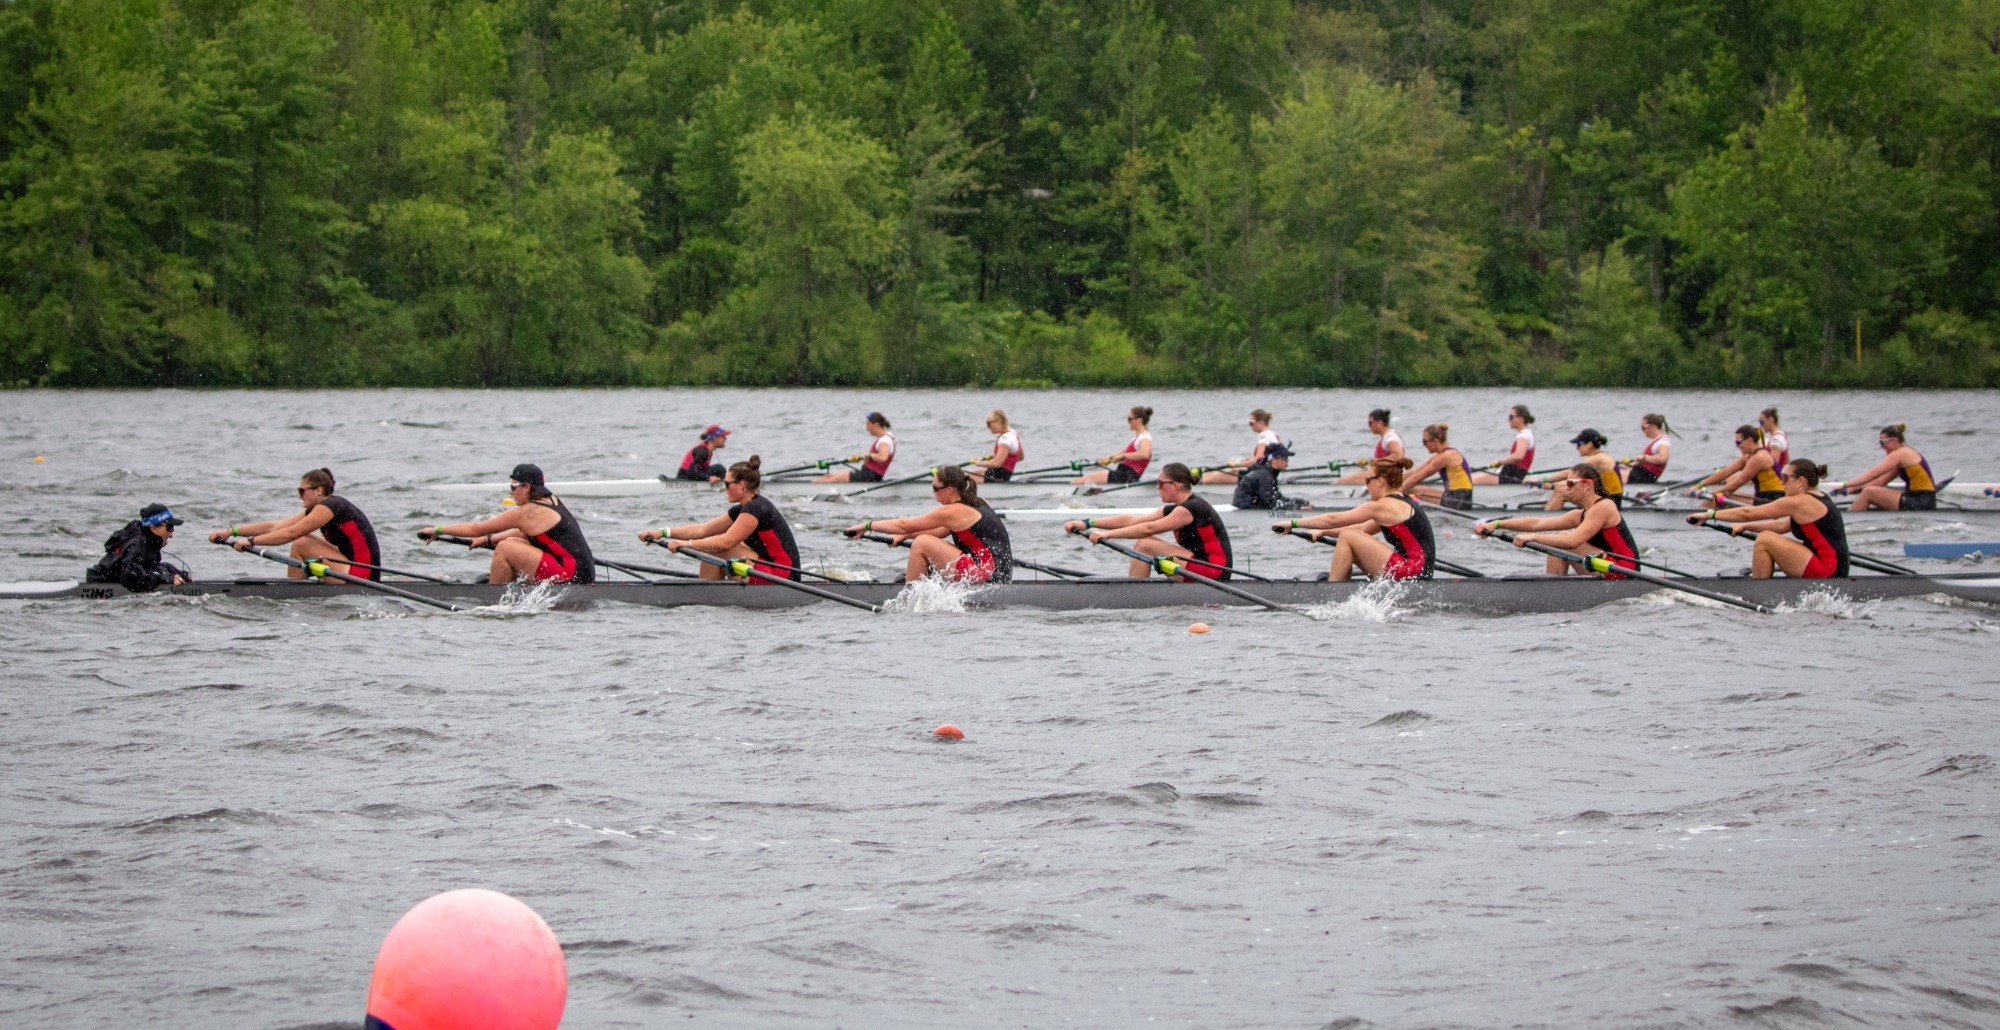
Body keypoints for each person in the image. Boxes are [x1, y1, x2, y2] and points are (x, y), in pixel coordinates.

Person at [417, 464, 594, 585]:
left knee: (504, 548)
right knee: (512, 542)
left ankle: (494, 598)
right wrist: (486, 540)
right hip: (583, 571)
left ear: (527, 487)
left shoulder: (527, 512)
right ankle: (510, 585)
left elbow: (475, 528)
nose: (510, 492)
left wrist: (437, 530)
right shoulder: (552, 500)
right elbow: (524, 534)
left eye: (513, 486)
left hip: (572, 575)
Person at [843, 465, 1012, 583]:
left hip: (986, 575)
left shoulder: (953, 511)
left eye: (935, 488)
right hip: (1000, 573)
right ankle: (918, 580)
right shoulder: (978, 502)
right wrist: (905, 536)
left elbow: (903, 524)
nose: (933, 492)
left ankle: (910, 594)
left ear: (950, 490)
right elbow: (941, 531)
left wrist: (867, 526)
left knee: (922, 543)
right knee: (928, 543)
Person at [1063, 463, 1233, 579]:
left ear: (1175, 485)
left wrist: (1106, 535)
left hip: (1214, 570)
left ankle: (1136, 593)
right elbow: (1132, 520)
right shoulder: (1176, 508)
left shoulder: (1191, 508)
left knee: (1145, 544)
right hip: (1199, 563)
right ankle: (1137, 586)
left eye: (1161, 483)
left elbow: (1148, 528)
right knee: (1144, 541)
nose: (1157, 487)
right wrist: (1087, 523)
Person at [642, 456, 799, 580]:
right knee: (714, 544)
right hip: (769, 568)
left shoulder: (756, 508)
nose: (724, 488)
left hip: (783, 575)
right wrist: (662, 533)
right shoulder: (742, 509)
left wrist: (687, 544)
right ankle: (708, 588)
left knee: (718, 548)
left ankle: (704, 594)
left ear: (741, 485)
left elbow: (725, 543)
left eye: (727, 484)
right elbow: (703, 529)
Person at [210, 468, 382, 581]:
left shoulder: (330, 506)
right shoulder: (321, 507)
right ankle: (297, 586)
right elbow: (275, 527)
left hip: (363, 575)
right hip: (352, 568)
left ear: (318, 490)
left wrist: (251, 542)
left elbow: (291, 533)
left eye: (302, 491)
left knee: (301, 542)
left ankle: (295, 591)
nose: (299, 496)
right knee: (303, 539)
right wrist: (232, 531)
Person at [1278, 457, 1433, 581]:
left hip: (1411, 572)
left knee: (1347, 536)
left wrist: (1293, 523)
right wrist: (1323, 531)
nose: (1366, 486)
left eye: (1367, 480)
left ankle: (1333, 591)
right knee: (1350, 536)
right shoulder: (1399, 502)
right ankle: (1341, 586)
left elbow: (1333, 519)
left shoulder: (1382, 506)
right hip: (1421, 572)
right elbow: (1363, 529)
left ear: (1380, 481)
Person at [1687, 459, 1848, 579]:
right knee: (1767, 536)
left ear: (1801, 481)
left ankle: (1759, 591)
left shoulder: (1799, 502)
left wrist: (1710, 514)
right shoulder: (1817, 497)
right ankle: (1762, 583)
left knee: (1764, 540)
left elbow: (1747, 513)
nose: (1781, 482)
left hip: (1828, 571)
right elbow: (1782, 526)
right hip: (1837, 568)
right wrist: (1746, 527)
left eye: (1785, 478)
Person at [1474, 464, 1638, 577]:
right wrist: (1496, 524)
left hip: (1624, 571)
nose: (1566, 487)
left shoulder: (1604, 507)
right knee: (1559, 542)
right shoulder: (1580, 514)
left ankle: (1552, 589)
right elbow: (1538, 523)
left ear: (1587, 485)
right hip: (1603, 566)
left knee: (1564, 538)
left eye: (1571, 483)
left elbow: (1573, 541)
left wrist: (1532, 537)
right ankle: (1553, 585)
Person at [86, 503, 188, 591]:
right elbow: (132, 577)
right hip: (100, 586)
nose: (171, 533)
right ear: (153, 528)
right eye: (170, 527)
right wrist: (164, 578)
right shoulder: (137, 543)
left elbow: (149, 569)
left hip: (118, 580)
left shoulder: (149, 540)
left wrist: (172, 575)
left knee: (167, 567)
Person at [1840, 423, 1939, 512]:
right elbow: (1880, 482)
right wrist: (1853, 489)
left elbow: (1872, 474)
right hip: (1924, 500)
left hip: (1920, 502)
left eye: (1883, 442)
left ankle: (1848, 520)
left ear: (1895, 440)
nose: (1881, 447)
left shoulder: (1900, 453)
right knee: (1870, 490)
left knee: (1868, 492)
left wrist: (1845, 484)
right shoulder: (1904, 456)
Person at [1689, 425, 1784, 506]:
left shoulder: (1759, 457)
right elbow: (1725, 472)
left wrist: (1714, 492)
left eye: (1738, 442)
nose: (1737, 446)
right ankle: (1697, 514)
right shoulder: (1748, 457)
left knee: (1718, 497)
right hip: (1762, 497)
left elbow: (1738, 482)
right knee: (1722, 494)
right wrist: (1699, 485)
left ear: (1749, 440)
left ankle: (1694, 516)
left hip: (1773, 501)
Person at [1539, 429, 1623, 510]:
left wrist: (1544, 480)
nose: (1577, 447)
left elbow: (1570, 473)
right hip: (1608, 498)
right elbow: (1577, 480)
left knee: (1561, 491)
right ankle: (1551, 509)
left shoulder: (1597, 458)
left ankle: (1548, 516)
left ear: (1590, 444)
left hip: (1610, 501)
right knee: (1562, 488)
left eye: (1579, 444)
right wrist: (1551, 485)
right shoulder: (1600, 456)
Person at [1404, 423, 1477, 510]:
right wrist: (1393, 480)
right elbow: (1416, 471)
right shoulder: (1443, 455)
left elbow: (1417, 478)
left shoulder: (1446, 456)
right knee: (1410, 488)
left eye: (1425, 442)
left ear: (1435, 441)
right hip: (1459, 497)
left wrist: (1395, 492)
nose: (1424, 445)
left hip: (1459, 501)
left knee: (1413, 489)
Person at [1074, 407, 1154, 484]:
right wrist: (1108, 459)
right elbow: (1124, 452)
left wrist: (1123, 456)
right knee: (1082, 480)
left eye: (1129, 419)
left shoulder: (1144, 437)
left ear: (1139, 420)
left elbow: (1145, 454)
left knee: (1078, 481)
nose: (1128, 422)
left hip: (1127, 477)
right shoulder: (1137, 438)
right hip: (1123, 474)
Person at [1199, 409, 1280, 485]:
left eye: (1251, 423)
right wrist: (1246, 461)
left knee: (1208, 479)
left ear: (1261, 422)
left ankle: (1195, 482)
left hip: (1258, 476)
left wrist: (1237, 464)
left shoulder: (1264, 435)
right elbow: (1264, 459)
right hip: (1265, 474)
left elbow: (1258, 459)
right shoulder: (1273, 434)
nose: (1250, 425)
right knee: (1216, 473)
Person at [814, 413, 896, 483]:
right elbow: (875, 458)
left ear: (876, 425)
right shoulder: (887, 437)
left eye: (868, 425)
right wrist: (860, 457)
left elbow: (883, 457)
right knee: (829, 476)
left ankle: (810, 489)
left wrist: (870, 455)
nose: (866, 428)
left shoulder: (884, 440)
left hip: (869, 476)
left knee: (829, 479)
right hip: (868, 475)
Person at [1232, 444, 1311, 511]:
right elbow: (1271, 502)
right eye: (1285, 458)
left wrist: (1303, 502)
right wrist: (1297, 508)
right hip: (1246, 510)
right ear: (1274, 459)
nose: (1287, 461)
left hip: (1253, 506)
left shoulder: (1268, 473)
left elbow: (1279, 499)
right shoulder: (1264, 475)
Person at [1471, 405, 1536, 484]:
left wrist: (1499, 462)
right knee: (1474, 478)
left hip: (1512, 476)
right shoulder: (1527, 433)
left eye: (1511, 417)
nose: (1508, 419)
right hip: (1510, 474)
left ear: (1521, 419)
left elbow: (1518, 456)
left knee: (1470, 480)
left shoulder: (1524, 435)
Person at [1337, 408, 1405, 483]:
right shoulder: (1388, 436)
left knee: (1340, 482)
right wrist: (1368, 461)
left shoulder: (1390, 437)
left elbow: (1399, 455)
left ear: (1380, 422)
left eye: (1370, 423)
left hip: (1386, 477)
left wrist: (1376, 461)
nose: (1369, 426)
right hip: (1383, 474)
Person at [968, 410, 1023, 482]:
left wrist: (978, 463)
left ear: (998, 422)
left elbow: (997, 463)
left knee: (962, 479)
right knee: (966, 475)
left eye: (988, 423)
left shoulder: (1005, 439)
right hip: (1000, 473)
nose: (987, 427)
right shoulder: (1013, 433)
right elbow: (1020, 457)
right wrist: (999, 456)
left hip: (998, 476)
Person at [1623, 413, 1674, 484]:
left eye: (1643, 428)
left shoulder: (1663, 442)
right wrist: (1631, 464)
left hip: (1643, 477)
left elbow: (1663, 458)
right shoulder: (1657, 441)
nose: (1642, 431)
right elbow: (1648, 462)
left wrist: (1644, 458)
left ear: (1652, 427)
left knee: (1612, 472)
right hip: (1639, 473)